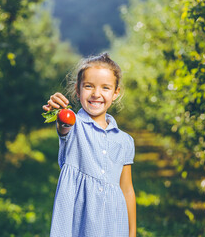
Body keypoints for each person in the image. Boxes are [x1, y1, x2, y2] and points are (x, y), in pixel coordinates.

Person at [43, 53, 136, 237]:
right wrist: (58, 111)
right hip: (79, 222)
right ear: (78, 90)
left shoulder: (125, 140)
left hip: (113, 223)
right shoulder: (74, 125)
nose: (96, 94)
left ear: (116, 93)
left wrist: (132, 233)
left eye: (105, 88)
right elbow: (64, 126)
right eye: (88, 86)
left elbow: (127, 189)